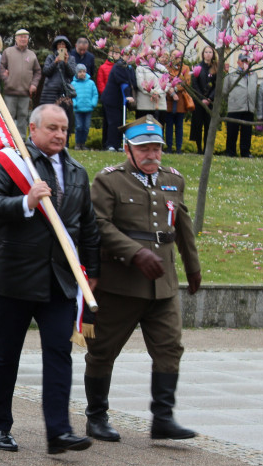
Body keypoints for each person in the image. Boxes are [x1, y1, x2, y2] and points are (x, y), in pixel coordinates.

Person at [0, 104, 100, 454]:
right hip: (16, 276)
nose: (60, 134)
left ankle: (58, 431)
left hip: (60, 279)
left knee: (60, 354)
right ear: (32, 129)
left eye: (64, 128)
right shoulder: (9, 162)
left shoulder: (76, 171)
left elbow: (87, 226)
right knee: (6, 355)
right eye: (52, 128)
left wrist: (93, 274)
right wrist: (26, 202)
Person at [84, 116, 201, 441]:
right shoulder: (109, 181)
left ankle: (163, 418)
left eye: (157, 148)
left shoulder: (172, 179)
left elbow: (181, 224)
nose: (152, 154)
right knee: (103, 350)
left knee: (170, 348)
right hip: (121, 283)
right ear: (128, 149)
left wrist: (192, 266)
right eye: (144, 148)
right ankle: (96, 417)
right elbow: (99, 225)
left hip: (162, 284)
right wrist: (135, 253)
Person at [1, 29, 40, 131]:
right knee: (9, 116)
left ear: (28, 39)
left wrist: (34, 84)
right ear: (16, 39)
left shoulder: (32, 55)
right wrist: (6, 79)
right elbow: (1, 67)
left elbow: (37, 71)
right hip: (10, 91)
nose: (23, 39)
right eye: (21, 37)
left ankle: (22, 139)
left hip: (25, 92)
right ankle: (9, 139)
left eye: (25, 37)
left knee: (23, 116)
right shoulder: (8, 52)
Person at [40, 36, 76, 146]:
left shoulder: (71, 59)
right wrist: (55, 62)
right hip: (50, 92)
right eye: (59, 44)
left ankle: (65, 142)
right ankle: (47, 139)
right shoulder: (50, 57)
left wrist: (65, 62)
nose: (61, 46)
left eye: (63, 44)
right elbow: (46, 71)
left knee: (65, 117)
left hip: (64, 92)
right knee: (49, 116)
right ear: (56, 46)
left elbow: (72, 74)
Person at [223, 53, 257, 158]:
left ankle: (245, 152)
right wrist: (232, 101)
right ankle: (230, 152)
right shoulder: (231, 75)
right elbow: (225, 91)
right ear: (238, 62)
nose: (245, 63)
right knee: (232, 132)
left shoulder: (254, 75)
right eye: (243, 61)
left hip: (248, 108)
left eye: (247, 61)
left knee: (246, 132)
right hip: (235, 108)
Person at [101, 52, 135, 151]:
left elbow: (132, 82)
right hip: (111, 98)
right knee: (113, 122)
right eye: (128, 55)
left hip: (119, 100)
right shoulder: (119, 66)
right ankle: (110, 144)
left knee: (120, 121)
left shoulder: (129, 68)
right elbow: (123, 82)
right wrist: (128, 95)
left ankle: (117, 144)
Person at [190, 46, 217, 154]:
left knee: (208, 125)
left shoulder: (215, 68)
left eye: (210, 52)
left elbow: (217, 85)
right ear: (203, 54)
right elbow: (195, 84)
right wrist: (201, 98)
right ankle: (199, 148)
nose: (208, 54)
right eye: (206, 52)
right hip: (199, 102)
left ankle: (206, 148)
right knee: (198, 125)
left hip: (210, 102)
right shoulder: (198, 67)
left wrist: (210, 98)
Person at [163, 50, 191, 153]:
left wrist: (175, 89)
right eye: (173, 55)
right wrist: (170, 90)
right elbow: (164, 80)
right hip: (169, 100)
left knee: (179, 126)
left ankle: (179, 148)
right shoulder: (166, 68)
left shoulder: (185, 68)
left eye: (177, 56)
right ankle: (169, 147)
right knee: (169, 125)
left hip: (180, 100)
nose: (175, 58)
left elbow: (186, 82)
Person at [71, 64, 98, 150]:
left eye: (83, 71)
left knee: (86, 127)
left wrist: (93, 103)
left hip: (88, 108)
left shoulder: (91, 83)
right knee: (79, 126)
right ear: (76, 73)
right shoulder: (73, 83)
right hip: (78, 109)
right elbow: (71, 95)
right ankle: (78, 143)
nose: (82, 73)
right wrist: (74, 103)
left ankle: (83, 143)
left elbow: (95, 94)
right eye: (80, 72)